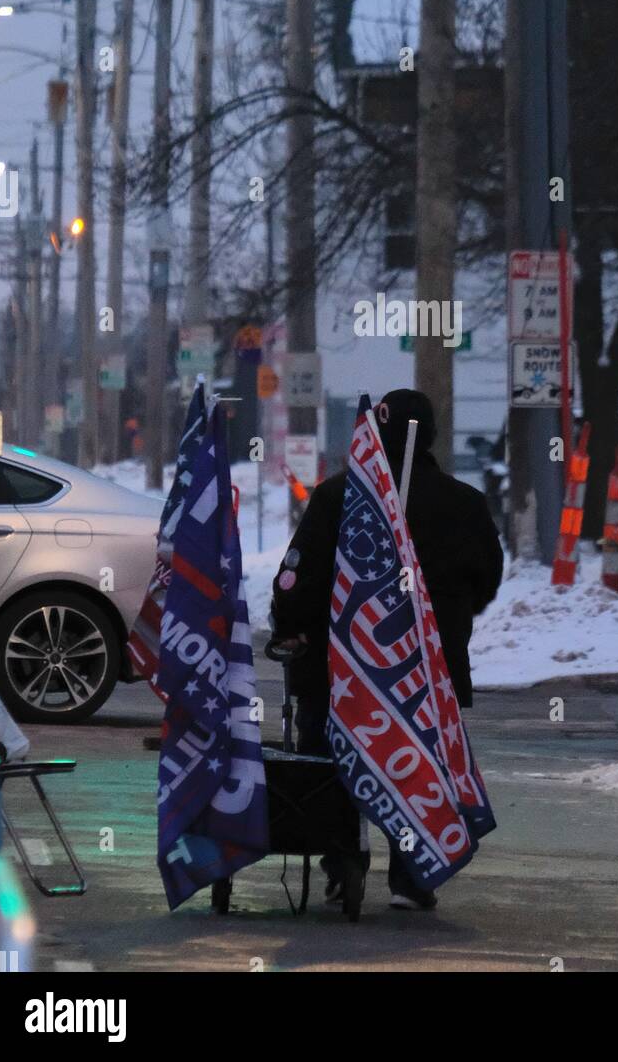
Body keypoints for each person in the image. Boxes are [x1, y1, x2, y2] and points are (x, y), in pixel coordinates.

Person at [270, 388, 504, 910]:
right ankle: (413, 874)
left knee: (330, 764)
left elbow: (296, 579)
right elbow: (488, 578)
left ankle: (341, 862)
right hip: (427, 673)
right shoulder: (466, 505)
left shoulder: (336, 498)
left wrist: (291, 628)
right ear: (433, 438)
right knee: (419, 768)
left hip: (337, 673)